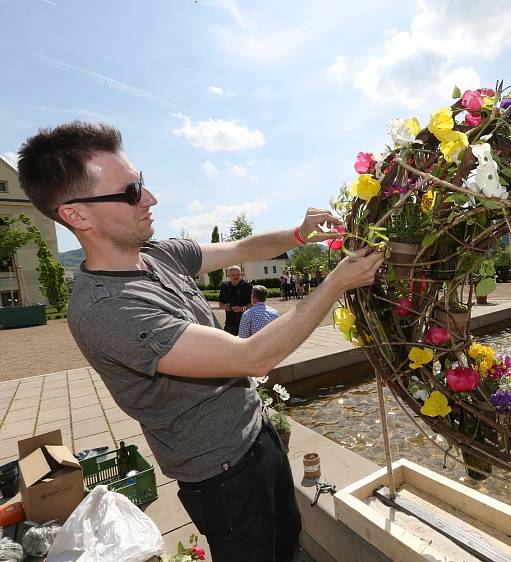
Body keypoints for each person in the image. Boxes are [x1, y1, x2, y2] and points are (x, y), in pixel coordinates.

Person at [16, 122, 384, 562]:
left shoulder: (156, 254)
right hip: (222, 476)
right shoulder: (107, 309)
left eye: (143, 184)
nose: (150, 199)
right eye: (131, 191)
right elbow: (254, 356)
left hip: (258, 435)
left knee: (287, 547)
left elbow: (239, 248)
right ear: (76, 214)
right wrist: (337, 283)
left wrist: (299, 235)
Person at [218, 265, 252, 335]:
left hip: (245, 323)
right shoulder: (224, 286)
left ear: (241, 274)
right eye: (233, 275)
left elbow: (253, 304)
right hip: (229, 324)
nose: (235, 277)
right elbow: (220, 303)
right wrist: (224, 307)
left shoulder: (248, 286)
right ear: (228, 275)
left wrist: (243, 308)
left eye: (238, 275)